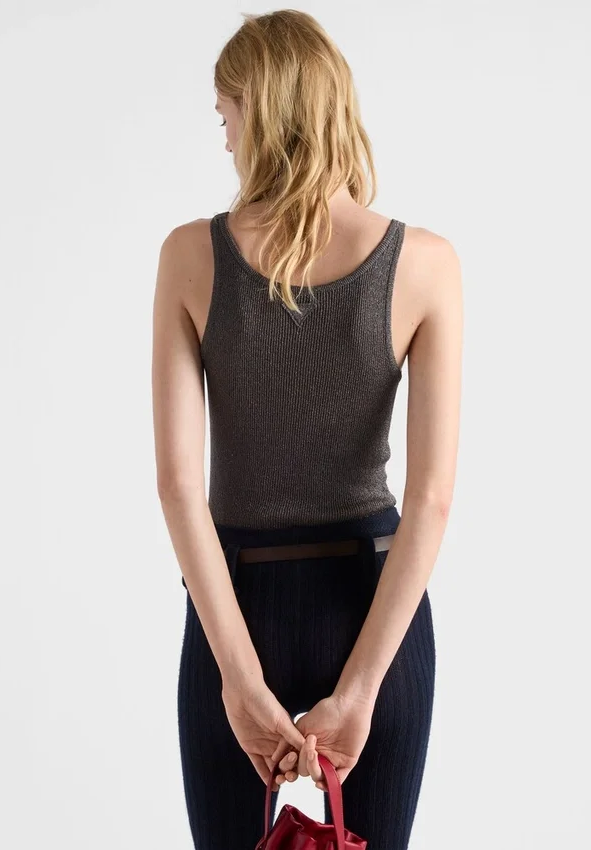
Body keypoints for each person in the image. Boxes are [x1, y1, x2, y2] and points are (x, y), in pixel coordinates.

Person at [151, 9, 462, 850]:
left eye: (226, 115)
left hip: (234, 602)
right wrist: (361, 691)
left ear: (262, 112)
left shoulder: (189, 257)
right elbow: (431, 500)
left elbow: (178, 486)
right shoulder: (426, 264)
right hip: (374, 604)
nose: (224, 139)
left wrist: (238, 679)